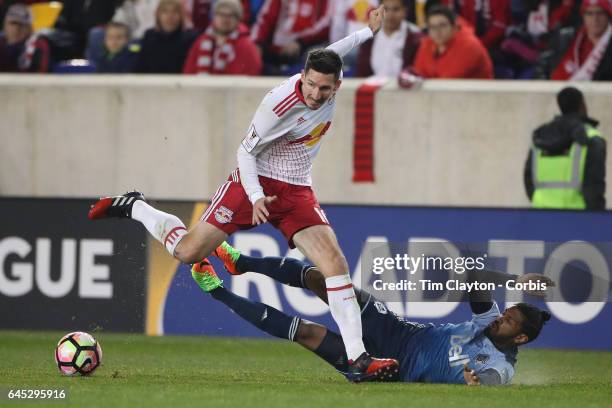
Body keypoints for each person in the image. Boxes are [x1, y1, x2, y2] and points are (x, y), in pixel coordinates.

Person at [89, 6, 400, 382]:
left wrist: (368, 32)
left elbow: (338, 48)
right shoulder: (279, 104)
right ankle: (136, 206)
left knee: (334, 264)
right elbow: (246, 152)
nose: (316, 94)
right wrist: (254, 197)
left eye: (325, 87)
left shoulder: (327, 76)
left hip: (297, 189)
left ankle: (358, 359)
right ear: (302, 77)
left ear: (338, 83)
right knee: (188, 252)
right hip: (252, 182)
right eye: (311, 85)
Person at [190, 242, 553, 385]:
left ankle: (216, 291)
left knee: (307, 335)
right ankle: (242, 263)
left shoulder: (501, 366)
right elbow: (473, 276)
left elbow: (491, 383)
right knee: (326, 278)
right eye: (505, 313)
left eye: (508, 322)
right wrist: (516, 279)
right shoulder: (485, 320)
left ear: (519, 338)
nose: (499, 319)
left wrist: (475, 382)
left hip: (393, 367)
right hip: (401, 332)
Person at [524, 87, 606, 210]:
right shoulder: (591, 139)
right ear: (582, 105)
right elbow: (594, 185)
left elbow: (528, 179)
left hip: (541, 216)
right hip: (578, 219)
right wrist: (597, 219)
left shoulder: (540, 137)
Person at [409, 5, 493, 78]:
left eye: (442, 25)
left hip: (477, 95)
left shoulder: (470, 46)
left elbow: (449, 80)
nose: (437, 31)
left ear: (454, 27)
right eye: (432, 27)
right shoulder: (427, 43)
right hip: (442, 94)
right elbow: (418, 74)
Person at [250, 0, 332, 72]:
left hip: (305, 47)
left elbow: (325, 23)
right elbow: (264, 19)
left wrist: (299, 42)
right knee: (251, 53)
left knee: (315, 57)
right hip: (275, 50)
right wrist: (257, 43)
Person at [183, 0, 261, 75]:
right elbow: (188, 72)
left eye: (230, 16)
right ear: (214, 17)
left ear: (238, 20)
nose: (225, 20)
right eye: (221, 14)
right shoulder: (200, 42)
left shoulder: (247, 47)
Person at [355, 0, 422, 77]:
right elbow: (362, 73)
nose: (390, 15)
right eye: (385, 9)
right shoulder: (368, 36)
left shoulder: (416, 37)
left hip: (405, 87)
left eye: (396, 9)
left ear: (405, 11)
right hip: (373, 87)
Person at [551, 0, 612, 81]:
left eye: (600, 13)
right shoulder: (569, 39)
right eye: (589, 13)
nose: (595, 19)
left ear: (608, 16)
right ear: (583, 16)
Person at [134, 0, 198, 73]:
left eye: (175, 12)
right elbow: (140, 67)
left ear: (181, 15)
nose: (170, 16)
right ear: (158, 15)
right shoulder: (149, 36)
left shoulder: (191, 38)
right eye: (165, 12)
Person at [0, 3, 49, 72]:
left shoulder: (38, 45)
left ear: (30, 29)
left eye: (22, 25)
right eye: (13, 23)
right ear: (5, 25)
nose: (16, 29)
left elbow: (38, 76)